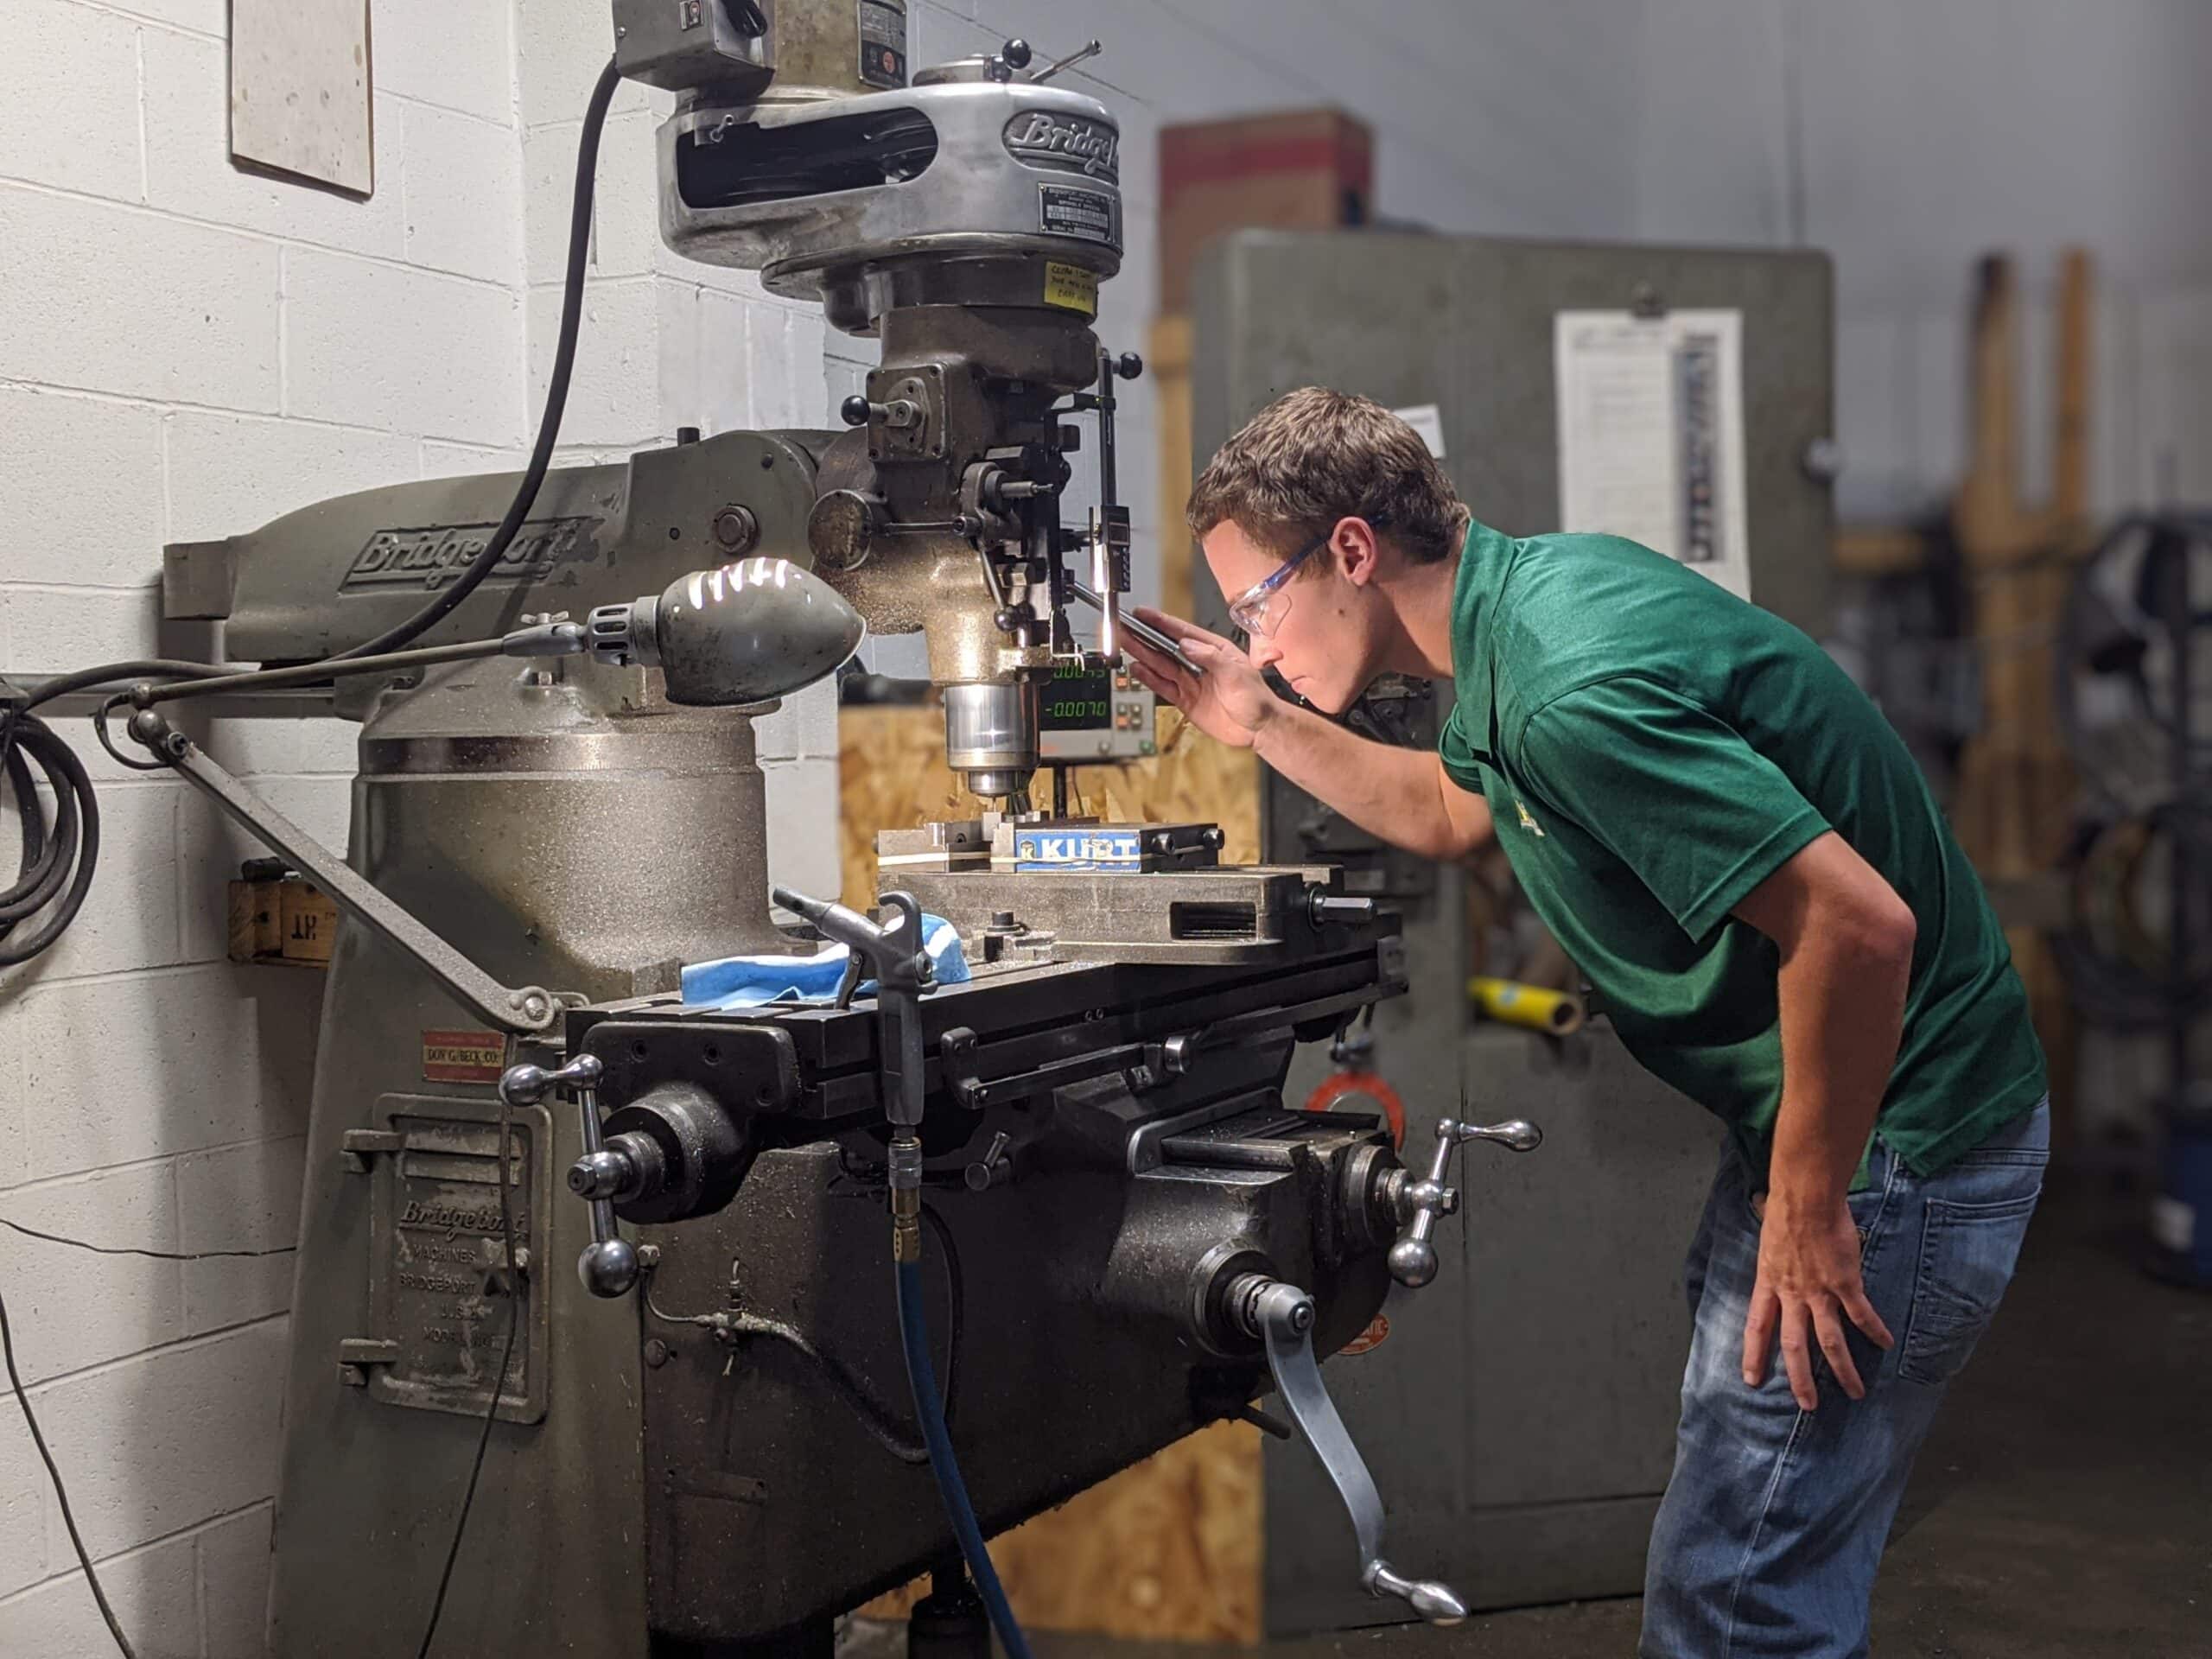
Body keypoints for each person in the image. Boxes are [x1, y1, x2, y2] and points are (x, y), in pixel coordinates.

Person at [1122, 386, 2049, 1659]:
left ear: (1349, 549)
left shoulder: (1565, 688)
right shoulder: (1524, 610)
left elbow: (1857, 929)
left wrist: (1810, 1200)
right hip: (1857, 1119)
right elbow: (1457, 811)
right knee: (1749, 1547)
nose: (1254, 639)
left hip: (1905, 1145)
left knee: (1738, 1604)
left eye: (1255, 605)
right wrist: (1260, 719)